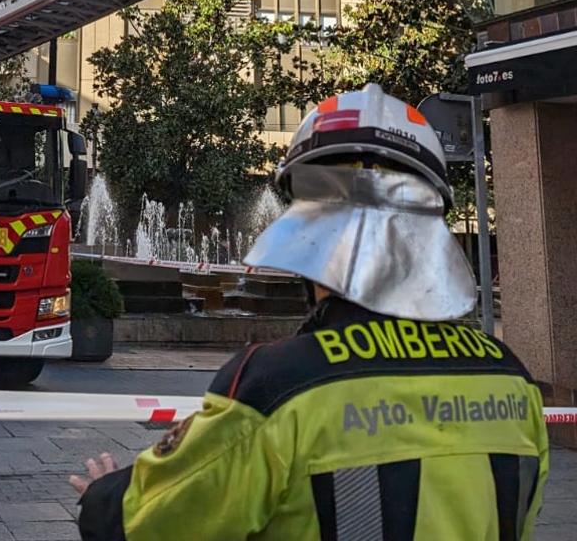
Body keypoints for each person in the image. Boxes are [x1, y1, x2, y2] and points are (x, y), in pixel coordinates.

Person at [70, 84, 548, 540]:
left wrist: (103, 496)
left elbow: (152, 523)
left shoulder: (279, 386)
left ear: (315, 235)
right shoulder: (512, 382)